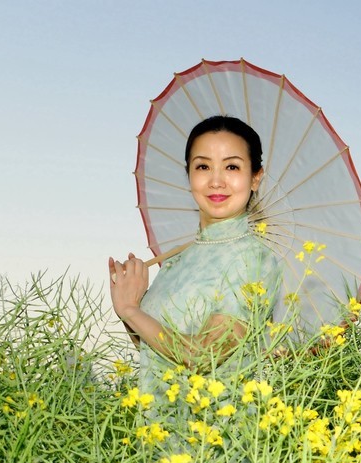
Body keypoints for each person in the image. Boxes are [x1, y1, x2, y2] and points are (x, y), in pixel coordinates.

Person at [108, 116, 285, 395]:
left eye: (232, 166)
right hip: (156, 427)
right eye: (203, 166)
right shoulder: (179, 259)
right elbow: (154, 353)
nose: (216, 181)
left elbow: (204, 357)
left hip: (216, 431)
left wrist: (130, 311)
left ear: (255, 178)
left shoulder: (253, 259)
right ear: (189, 174)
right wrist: (130, 301)